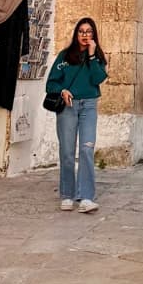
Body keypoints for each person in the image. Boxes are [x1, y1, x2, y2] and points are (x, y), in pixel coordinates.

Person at [46, 18, 107, 213]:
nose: (85, 35)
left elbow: (98, 79)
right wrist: (62, 90)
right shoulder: (65, 56)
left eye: (89, 32)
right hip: (68, 106)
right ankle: (67, 195)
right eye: (81, 31)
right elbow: (51, 83)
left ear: (93, 35)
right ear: (76, 34)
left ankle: (86, 197)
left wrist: (91, 56)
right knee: (67, 152)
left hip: (89, 106)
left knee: (87, 149)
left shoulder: (97, 58)